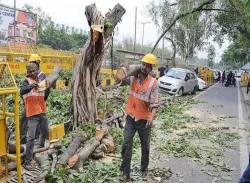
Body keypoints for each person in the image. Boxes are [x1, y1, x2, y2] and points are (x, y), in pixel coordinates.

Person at [119, 53, 159, 181]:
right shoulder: (133, 78)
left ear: (151, 68)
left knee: (145, 147)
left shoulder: (153, 83)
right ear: (140, 65)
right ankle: (125, 173)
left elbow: (155, 104)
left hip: (144, 120)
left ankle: (144, 169)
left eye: (148, 66)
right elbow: (118, 79)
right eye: (143, 64)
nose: (145, 67)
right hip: (131, 117)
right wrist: (124, 70)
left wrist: (151, 118)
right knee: (126, 144)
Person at [20, 63, 49, 170]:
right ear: (27, 72)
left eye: (34, 71)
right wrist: (30, 87)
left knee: (45, 131)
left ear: (37, 70)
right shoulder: (26, 82)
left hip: (42, 111)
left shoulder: (40, 82)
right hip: (32, 114)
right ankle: (27, 161)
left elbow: (45, 95)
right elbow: (22, 91)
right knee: (31, 137)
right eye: (30, 71)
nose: (32, 73)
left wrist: (48, 87)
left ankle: (40, 146)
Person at [20, 54, 47, 144]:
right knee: (26, 118)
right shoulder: (31, 73)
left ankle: (35, 137)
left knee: (31, 119)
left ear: (37, 63)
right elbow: (24, 89)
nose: (31, 64)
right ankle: (24, 138)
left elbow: (44, 89)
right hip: (29, 101)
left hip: (36, 101)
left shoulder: (41, 75)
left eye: (32, 62)